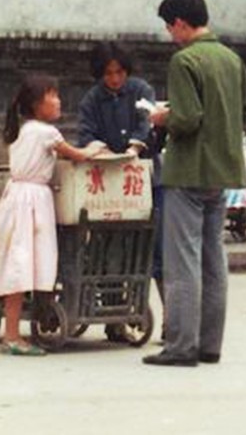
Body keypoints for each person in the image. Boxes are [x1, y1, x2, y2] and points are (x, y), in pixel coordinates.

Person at [0, 74, 103, 355]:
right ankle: (12, 337)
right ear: (38, 104)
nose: (59, 101)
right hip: (31, 204)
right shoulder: (46, 133)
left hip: (14, 200)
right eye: (53, 96)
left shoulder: (24, 131)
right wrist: (94, 149)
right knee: (20, 270)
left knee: (6, 268)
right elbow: (77, 155)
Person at [143, 0, 246, 368]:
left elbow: (186, 119)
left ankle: (181, 346)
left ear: (182, 23)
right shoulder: (232, 60)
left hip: (188, 170)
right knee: (213, 258)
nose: (170, 36)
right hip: (222, 171)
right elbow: (243, 112)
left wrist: (161, 117)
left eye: (170, 28)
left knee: (182, 261)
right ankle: (210, 344)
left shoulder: (185, 61)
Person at [77, 41, 164, 342]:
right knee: (110, 250)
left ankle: (172, 322)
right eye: (108, 73)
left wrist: (135, 146)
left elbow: (148, 122)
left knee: (156, 250)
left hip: (146, 178)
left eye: (119, 72)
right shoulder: (92, 99)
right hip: (110, 183)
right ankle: (115, 319)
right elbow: (86, 134)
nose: (114, 79)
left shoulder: (141, 90)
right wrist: (99, 150)